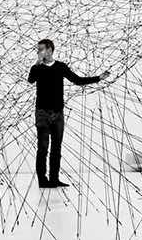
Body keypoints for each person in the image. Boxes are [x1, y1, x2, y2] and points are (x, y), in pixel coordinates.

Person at [27, 39, 109, 188]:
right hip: (42, 113)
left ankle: (54, 179)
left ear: (50, 50)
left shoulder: (60, 67)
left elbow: (77, 80)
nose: (39, 52)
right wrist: (37, 63)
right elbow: (31, 80)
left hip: (58, 113)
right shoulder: (37, 68)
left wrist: (98, 78)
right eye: (38, 50)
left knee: (56, 148)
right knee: (43, 147)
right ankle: (42, 180)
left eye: (41, 49)